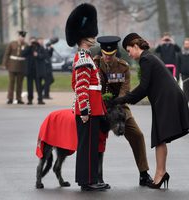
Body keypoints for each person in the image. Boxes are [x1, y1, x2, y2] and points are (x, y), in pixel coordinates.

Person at [114, 33, 189, 189]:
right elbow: (147, 87)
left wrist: (122, 99)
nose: (129, 54)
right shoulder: (149, 57)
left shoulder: (146, 59)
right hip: (165, 98)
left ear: (136, 46)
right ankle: (161, 173)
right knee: (159, 137)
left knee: (159, 136)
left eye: (129, 50)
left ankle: (160, 174)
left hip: (166, 99)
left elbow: (144, 87)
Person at [94, 35, 152, 187]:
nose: (108, 57)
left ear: (115, 53)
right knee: (95, 141)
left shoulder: (123, 66)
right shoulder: (94, 64)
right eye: (105, 55)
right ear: (101, 52)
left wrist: (116, 103)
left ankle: (144, 174)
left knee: (137, 135)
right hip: (98, 107)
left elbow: (125, 90)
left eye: (111, 54)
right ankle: (95, 177)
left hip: (118, 106)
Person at [65, 3, 108, 191]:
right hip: (88, 109)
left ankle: (90, 179)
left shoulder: (86, 55)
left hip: (93, 107)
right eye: (91, 35)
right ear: (84, 38)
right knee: (87, 147)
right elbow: (81, 87)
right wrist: (84, 109)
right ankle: (87, 181)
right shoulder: (83, 57)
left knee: (90, 145)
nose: (94, 38)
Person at [2, 30, 27, 104]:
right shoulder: (12, 44)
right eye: (21, 36)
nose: (22, 38)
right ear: (18, 36)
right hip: (12, 65)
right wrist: (4, 64)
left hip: (21, 66)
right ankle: (10, 98)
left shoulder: (26, 45)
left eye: (23, 37)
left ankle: (19, 98)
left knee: (20, 83)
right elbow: (7, 54)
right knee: (11, 83)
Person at [22, 37, 46, 105]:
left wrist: (37, 55)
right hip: (29, 70)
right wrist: (29, 46)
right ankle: (30, 100)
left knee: (39, 86)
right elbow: (23, 54)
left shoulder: (40, 48)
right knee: (29, 87)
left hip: (38, 70)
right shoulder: (27, 48)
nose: (33, 43)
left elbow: (44, 56)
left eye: (34, 42)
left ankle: (40, 99)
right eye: (31, 42)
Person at [177, 38, 189, 102]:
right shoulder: (180, 54)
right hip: (184, 75)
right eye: (186, 44)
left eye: (188, 44)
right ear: (184, 44)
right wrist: (177, 76)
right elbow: (178, 65)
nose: (187, 45)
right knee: (185, 90)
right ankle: (186, 105)